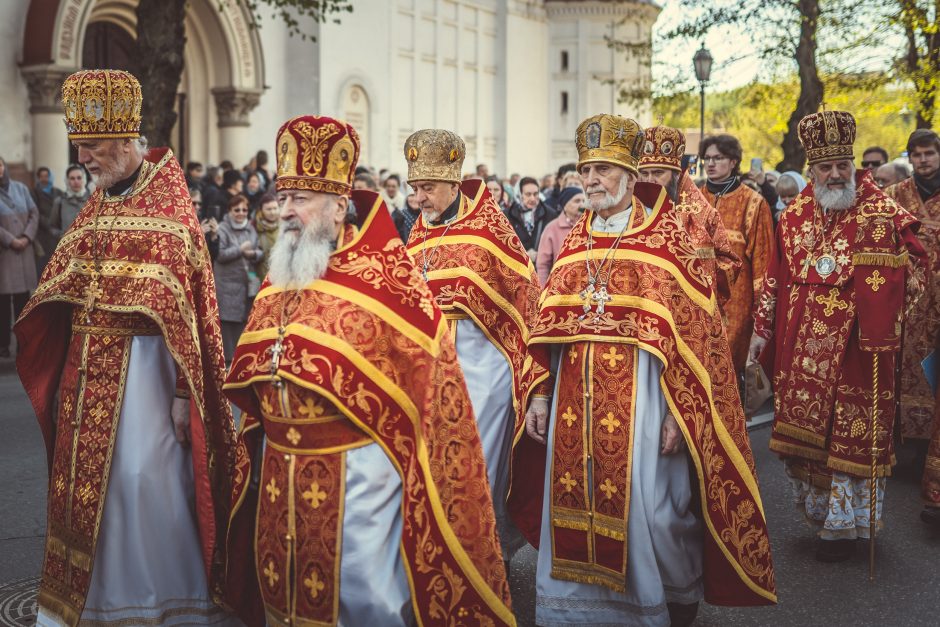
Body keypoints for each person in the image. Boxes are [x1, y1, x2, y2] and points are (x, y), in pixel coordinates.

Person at [221, 115, 513, 627]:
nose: (285, 211)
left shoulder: (385, 279)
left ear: (339, 205)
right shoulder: (281, 274)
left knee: (363, 604)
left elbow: (428, 395)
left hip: (360, 482)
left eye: (301, 199)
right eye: (282, 197)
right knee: (284, 599)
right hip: (280, 473)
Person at [512, 113, 775, 627]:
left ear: (631, 177)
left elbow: (696, 341)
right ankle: (579, 615)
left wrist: (681, 414)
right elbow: (546, 327)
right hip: (573, 409)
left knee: (657, 512)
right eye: (586, 170)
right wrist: (539, 395)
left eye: (603, 170)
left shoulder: (667, 241)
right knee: (573, 502)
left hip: (649, 405)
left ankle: (667, 603)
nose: (590, 181)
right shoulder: (574, 243)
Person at [14, 69, 239, 625]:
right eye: (80, 147)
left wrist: (186, 393)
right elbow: (65, 276)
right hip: (85, 374)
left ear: (124, 140)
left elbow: (195, 317)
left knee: (144, 483)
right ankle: (90, 604)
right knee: (85, 492)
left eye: (92, 146)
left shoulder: (171, 209)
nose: (84, 157)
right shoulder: (98, 203)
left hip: (148, 378)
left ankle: (159, 602)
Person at [749, 110, 926, 562]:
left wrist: (886, 288)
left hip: (857, 346)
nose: (834, 174)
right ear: (811, 170)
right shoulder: (794, 217)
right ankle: (824, 518)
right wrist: (762, 332)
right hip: (802, 345)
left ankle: (850, 524)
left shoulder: (883, 211)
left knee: (850, 436)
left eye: (841, 166)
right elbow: (775, 277)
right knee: (814, 441)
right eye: (824, 167)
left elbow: (916, 267)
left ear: (853, 165)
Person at [403, 128, 547, 568]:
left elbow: (526, 303)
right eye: (415, 188)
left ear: (452, 182)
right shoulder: (418, 235)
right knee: (433, 472)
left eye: (427, 188)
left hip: (482, 377)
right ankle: (444, 560)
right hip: (430, 377)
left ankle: (485, 560)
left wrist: (535, 383)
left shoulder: (488, 230)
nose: (420, 198)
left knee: (474, 472)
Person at [884, 129, 940, 524]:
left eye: (929, 153)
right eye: (917, 155)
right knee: (905, 373)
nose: (923, 160)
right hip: (909, 303)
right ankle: (907, 452)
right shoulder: (897, 195)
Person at [638, 125, 740, 306]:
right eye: (644, 173)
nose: (650, 180)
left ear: (675, 176)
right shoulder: (629, 214)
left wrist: (699, 273)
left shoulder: (705, 215)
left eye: (658, 173)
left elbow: (729, 263)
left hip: (688, 309)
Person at [699, 133, 775, 375]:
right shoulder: (692, 200)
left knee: (727, 375)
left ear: (733, 161)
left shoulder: (753, 203)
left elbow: (764, 263)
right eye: (707, 158)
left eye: (718, 158)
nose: (710, 163)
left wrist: (760, 319)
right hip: (697, 302)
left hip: (736, 308)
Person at [214, 193, 262, 363]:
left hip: (246, 284)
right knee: (228, 325)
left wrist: (254, 254)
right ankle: (227, 362)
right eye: (237, 210)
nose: (241, 212)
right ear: (229, 210)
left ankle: (240, 360)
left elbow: (259, 250)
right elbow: (220, 254)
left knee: (243, 323)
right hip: (227, 286)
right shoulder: (222, 228)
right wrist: (240, 250)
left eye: (244, 209)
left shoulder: (250, 227)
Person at [0, 156, 39, 359]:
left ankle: (23, 343)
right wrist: (10, 240)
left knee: (24, 301)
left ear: (4, 166)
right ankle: (3, 344)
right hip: (5, 254)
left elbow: (34, 213)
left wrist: (26, 236)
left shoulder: (20, 188)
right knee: (3, 302)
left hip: (24, 251)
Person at [535, 186, 584, 285]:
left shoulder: (590, 225)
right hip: (560, 288)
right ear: (565, 205)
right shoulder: (552, 228)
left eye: (583, 200)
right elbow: (543, 265)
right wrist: (543, 291)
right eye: (577, 201)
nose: (582, 204)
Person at [505, 176, 558, 260]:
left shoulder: (550, 214)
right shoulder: (507, 214)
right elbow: (504, 244)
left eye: (536, 194)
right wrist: (523, 254)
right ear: (519, 195)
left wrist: (540, 254)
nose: (532, 198)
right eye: (528, 194)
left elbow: (555, 243)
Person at [32, 166, 64, 271]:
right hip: (43, 232)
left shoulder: (58, 192)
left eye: (47, 176)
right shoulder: (34, 193)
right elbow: (35, 211)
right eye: (42, 176)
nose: (44, 179)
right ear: (38, 178)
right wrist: (49, 224)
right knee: (45, 261)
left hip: (57, 231)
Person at [49, 164, 90, 240]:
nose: (76, 181)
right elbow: (52, 227)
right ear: (67, 181)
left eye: (79, 178)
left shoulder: (93, 200)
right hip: (68, 248)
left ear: (84, 179)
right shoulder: (59, 202)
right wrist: (62, 236)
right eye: (72, 178)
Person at [253, 191, 279, 279]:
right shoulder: (254, 227)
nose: (272, 212)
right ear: (261, 210)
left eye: (275, 208)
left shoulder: (286, 226)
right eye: (269, 209)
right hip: (263, 277)